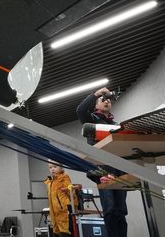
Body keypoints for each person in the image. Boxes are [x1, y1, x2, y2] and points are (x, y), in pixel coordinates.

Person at [76, 87, 127, 237]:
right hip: (102, 172)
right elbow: (80, 110)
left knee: (121, 211)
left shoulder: (117, 125)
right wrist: (95, 94)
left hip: (119, 171)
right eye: (102, 100)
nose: (107, 101)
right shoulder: (91, 120)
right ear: (96, 105)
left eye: (109, 100)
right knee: (110, 209)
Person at [44, 162, 76, 237]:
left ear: (61, 167)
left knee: (65, 232)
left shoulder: (64, 178)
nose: (52, 169)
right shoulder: (50, 182)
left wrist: (74, 206)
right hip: (54, 212)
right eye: (50, 167)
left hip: (64, 211)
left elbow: (71, 193)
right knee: (56, 231)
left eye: (55, 167)